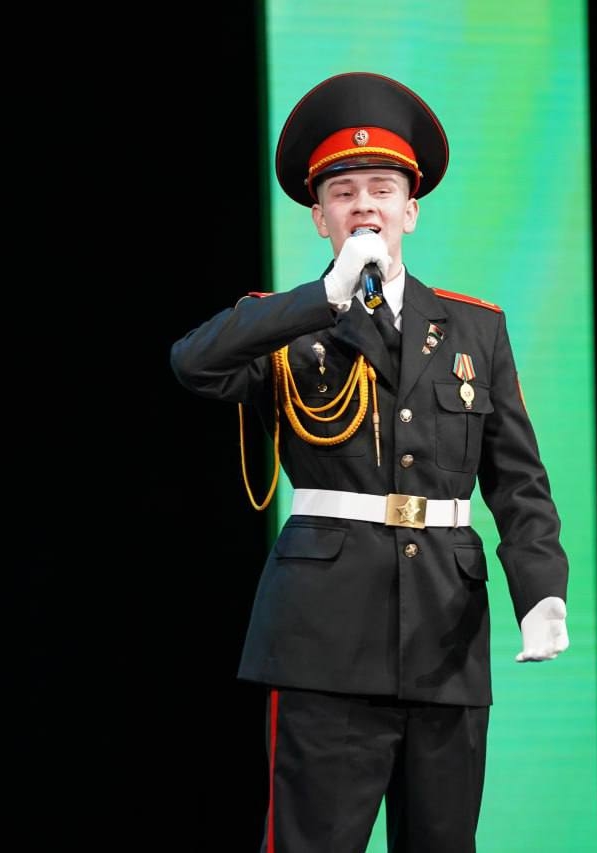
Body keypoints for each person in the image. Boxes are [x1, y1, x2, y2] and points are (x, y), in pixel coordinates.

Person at [169, 71, 570, 853]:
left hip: (447, 638)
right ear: (318, 215)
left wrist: (541, 588)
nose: (364, 206)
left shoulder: (474, 329)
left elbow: (519, 481)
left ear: (409, 209)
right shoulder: (283, 326)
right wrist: (323, 297)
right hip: (323, 643)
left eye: (382, 189)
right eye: (343, 192)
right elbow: (193, 363)